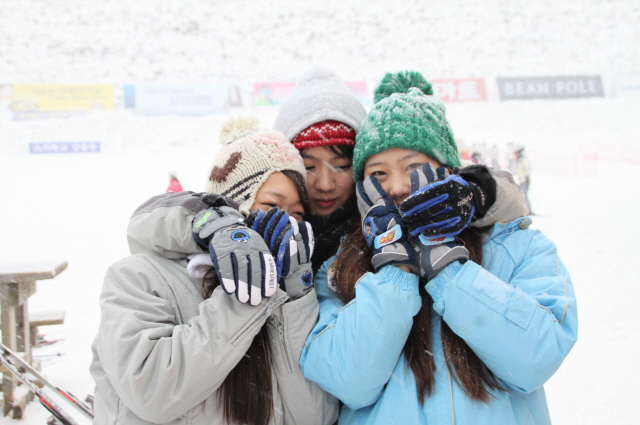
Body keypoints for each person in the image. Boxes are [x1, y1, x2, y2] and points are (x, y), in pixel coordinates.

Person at [299, 71, 577, 425]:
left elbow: (536, 359)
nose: (397, 187)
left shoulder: (514, 245)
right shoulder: (340, 266)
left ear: (448, 170)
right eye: (379, 173)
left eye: (413, 167)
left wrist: (449, 271)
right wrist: (394, 275)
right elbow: (348, 382)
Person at [90, 115, 338, 425]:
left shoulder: (288, 297)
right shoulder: (138, 277)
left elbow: (316, 416)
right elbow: (153, 393)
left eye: (297, 214)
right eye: (271, 207)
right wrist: (247, 293)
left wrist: (295, 303)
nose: (284, 224)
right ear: (231, 206)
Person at [273, 65, 368, 273]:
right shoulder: (256, 232)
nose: (325, 185)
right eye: (308, 167)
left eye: (341, 166)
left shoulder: (385, 237)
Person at [511, 143, 533, 213]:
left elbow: (528, 170)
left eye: (516, 154)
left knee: (524, 195)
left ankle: (528, 210)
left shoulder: (523, 161)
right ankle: (524, 209)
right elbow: (513, 171)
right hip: (521, 181)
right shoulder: (517, 162)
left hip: (525, 180)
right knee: (522, 195)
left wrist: (524, 176)